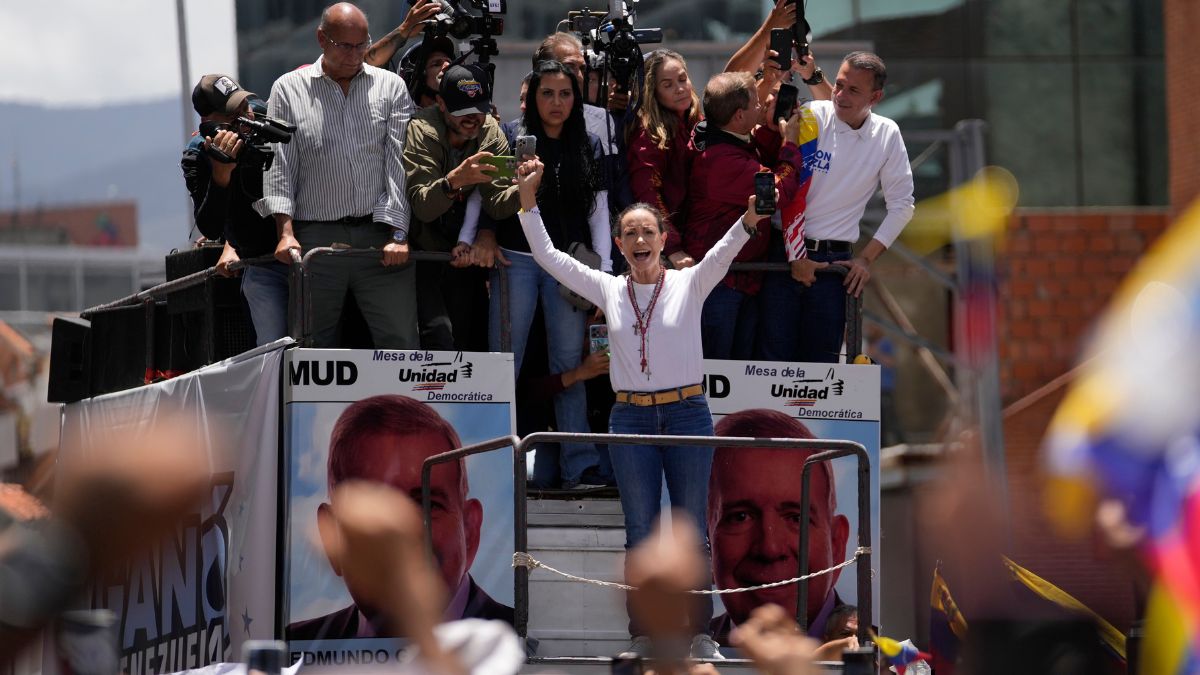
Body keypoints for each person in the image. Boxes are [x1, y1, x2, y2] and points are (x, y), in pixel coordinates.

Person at [512, 118, 791, 655]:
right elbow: (547, 257)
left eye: (648, 232)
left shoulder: (690, 282)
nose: (640, 240)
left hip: (687, 414)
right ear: (619, 244)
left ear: (663, 240)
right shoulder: (607, 287)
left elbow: (725, 250)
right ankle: (642, 634)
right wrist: (528, 201)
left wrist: (752, 217)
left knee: (692, 531)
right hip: (631, 418)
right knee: (640, 531)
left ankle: (699, 633)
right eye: (630, 234)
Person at [480, 60, 613, 490]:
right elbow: (486, 198)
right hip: (514, 260)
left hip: (568, 267)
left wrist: (604, 276)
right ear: (532, 98)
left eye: (565, 94)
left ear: (576, 99)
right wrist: (479, 236)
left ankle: (579, 467)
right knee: (505, 361)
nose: (556, 103)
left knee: (570, 363)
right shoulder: (510, 136)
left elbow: (598, 213)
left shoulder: (589, 143)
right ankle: (493, 463)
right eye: (547, 93)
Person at [257, 2, 418, 349]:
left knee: (401, 343)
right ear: (321, 39)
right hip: (315, 240)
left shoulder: (391, 87)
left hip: (380, 237)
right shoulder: (287, 89)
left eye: (362, 45)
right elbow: (279, 165)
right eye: (345, 46)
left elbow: (398, 164)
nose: (355, 55)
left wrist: (399, 234)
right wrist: (285, 233)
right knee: (312, 347)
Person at [286, 395, 512, 641]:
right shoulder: (295, 644)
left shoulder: (520, 647)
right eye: (375, 506)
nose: (402, 530)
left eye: (427, 504)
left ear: (469, 530)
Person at [757, 51, 915, 363]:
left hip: (834, 266)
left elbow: (903, 205)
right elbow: (791, 191)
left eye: (854, 90)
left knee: (822, 367)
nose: (840, 95)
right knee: (770, 362)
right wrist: (797, 256)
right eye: (839, 85)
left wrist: (866, 260)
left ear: (876, 97)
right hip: (782, 253)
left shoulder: (888, 134)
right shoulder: (811, 114)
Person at [685, 71, 809, 360]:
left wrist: (770, 130)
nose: (762, 105)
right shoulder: (721, 161)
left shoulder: (723, 138)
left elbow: (755, 154)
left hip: (740, 279)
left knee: (739, 373)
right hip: (720, 287)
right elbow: (779, 192)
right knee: (714, 371)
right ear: (739, 115)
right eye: (756, 102)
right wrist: (790, 142)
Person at [707, 409, 850, 647]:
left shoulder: (885, 661)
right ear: (706, 546)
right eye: (740, 517)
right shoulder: (676, 658)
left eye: (796, 518)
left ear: (837, 545)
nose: (770, 548)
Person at [403, 62, 519, 351]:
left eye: (478, 109)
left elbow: (497, 205)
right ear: (441, 104)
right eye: (461, 110)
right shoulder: (422, 129)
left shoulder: (491, 132)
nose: (471, 118)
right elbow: (422, 206)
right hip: (423, 250)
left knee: (470, 340)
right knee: (437, 335)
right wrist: (455, 181)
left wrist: (526, 189)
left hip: (467, 253)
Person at [181, 74, 288, 345]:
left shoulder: (267, 120)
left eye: (245, 106)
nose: (246, 117)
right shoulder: (199, 153)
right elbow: (210, 226)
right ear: (209, 122)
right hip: (261, 263)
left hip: (303, 246)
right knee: (272, 347)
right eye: (233, 115)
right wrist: (221, 175)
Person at [625, 49, 702, 269]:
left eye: (683, 79)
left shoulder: (696, 121)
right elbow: (648, 193)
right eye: (668, 85)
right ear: (653, 92)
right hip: (671, 252)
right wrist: (672, 247)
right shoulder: (649, 135)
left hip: (696, 237)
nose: (680, 89)